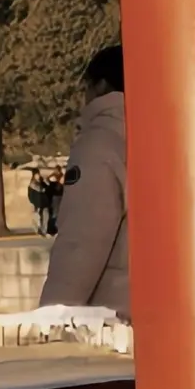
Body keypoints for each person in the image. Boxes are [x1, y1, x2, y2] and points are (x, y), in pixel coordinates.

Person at [40, 45, 129, 314]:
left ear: (100, 86)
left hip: (114, 312)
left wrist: (53, 314)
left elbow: (82, 240)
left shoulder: (100, 142)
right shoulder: (165, 132)